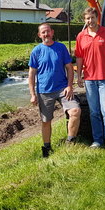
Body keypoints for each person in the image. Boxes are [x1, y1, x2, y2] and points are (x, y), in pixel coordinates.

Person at [29, 23, 81, 158]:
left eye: (48, 31)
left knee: (75, 111)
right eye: (43, 32)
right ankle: (47, 148)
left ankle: (70, 141)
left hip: (62, 89)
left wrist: (70, 86)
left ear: (52, 32)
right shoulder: (36, 51)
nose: (46, 34)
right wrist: (33, 94)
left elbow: (70, 68)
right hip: (44, 91)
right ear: (39, 35)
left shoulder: (61, 48)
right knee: (46, 121)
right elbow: (31, 74)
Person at [75, 7, 105, 152]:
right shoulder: (81, 36)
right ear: (84, 20)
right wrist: (79, 75)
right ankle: (97, 140)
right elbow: (79, 57)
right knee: (94, 111)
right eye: (87, 18)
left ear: (97, 18)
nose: (90, 21)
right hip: (89, 79)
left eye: (92, 18)